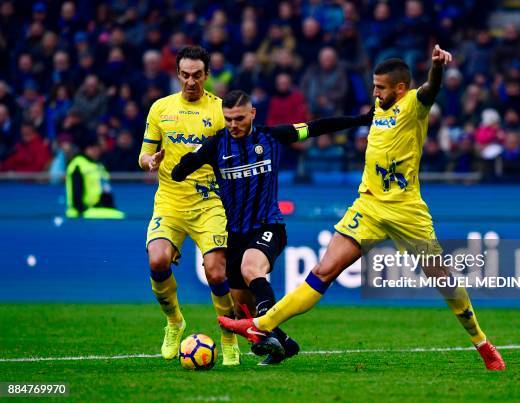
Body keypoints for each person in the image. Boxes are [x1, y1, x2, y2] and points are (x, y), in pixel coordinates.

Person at [219, 46, 507, 371]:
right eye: (374, 86)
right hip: (367, 205)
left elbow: (430, 89)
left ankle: (482, 343)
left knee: (443, 280)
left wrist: (436, 67)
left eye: (380, 87)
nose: (375, 92)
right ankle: (263, 325)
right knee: (322, 271)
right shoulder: (379, 109)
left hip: (406, 210)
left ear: (400, 88)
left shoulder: (413, 105)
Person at [172, 90, 372, 364]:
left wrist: (360, 120)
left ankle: (266, 329)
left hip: (269, 225)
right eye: (228, 119)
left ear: (252, 113)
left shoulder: (273, 137)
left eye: (239, 118)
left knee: (250, 268)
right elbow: (179, 171)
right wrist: (181, 163)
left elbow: (316, 127)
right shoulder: (215, 145)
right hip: (236, 234)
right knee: (242, 310)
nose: (233, 125)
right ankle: (285, 344)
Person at [138, 46, 239, 365]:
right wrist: (148, 161)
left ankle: (228, 336)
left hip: (210, 202)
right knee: (157, 261)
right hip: (169, 200)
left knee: (215, 272)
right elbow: (145, 153)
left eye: (197, 75)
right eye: (185, 75)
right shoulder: (160, 109)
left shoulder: (221, 112)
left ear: (207, 75)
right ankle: (174, 322)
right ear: (177, 74)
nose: (191, 81)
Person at [65, 135, 124, 219]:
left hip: (97, 209)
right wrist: (81, 210)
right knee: (118, 216)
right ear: (86, 149)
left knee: (118, 215)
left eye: (97, 148)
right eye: (93, 148)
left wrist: (110, 206)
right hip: (81, 212)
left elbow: (106, 189)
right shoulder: (78, 164)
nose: (96, 151)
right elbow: (76, 190)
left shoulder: (99, 166)